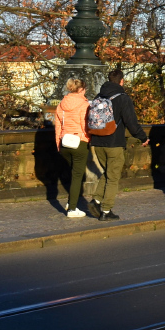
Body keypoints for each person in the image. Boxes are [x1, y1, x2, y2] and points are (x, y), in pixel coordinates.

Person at [88, 69, 149, 220]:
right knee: (113, 177)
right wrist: (143, 137)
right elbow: (131, 123)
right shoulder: (123, 98)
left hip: (97, 141)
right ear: (121, 81)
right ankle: (106, 211)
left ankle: (96, 201)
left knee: (109, 172)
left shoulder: (98, 96)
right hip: (114, 143)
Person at [55, 78, 91, 218]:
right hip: (79, 142)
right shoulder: (84, 104)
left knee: (73, 173)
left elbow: (58, 127)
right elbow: (84, 125)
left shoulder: (61, 104)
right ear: (81, 89)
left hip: (65, 142)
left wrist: (58, 144)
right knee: (77, 176)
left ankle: (71, 202)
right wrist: (88, 139)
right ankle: (72, 209)